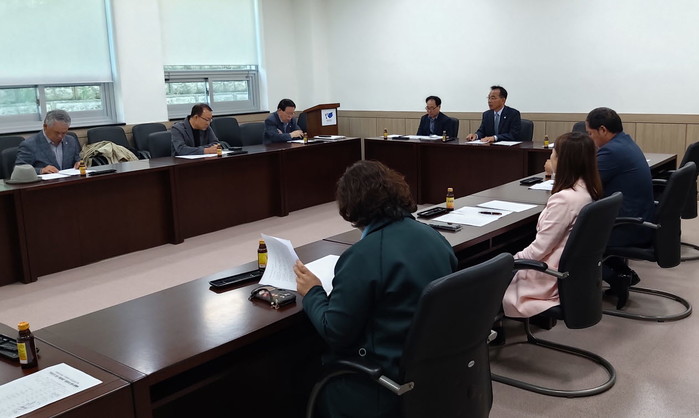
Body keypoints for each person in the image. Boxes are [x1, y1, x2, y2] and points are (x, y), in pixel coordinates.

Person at [293, 160, 457, 418]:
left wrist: (313, 292)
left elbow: (335, 332)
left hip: (380, 385)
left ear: (351, 207)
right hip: (434, 375)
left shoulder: (364, 255)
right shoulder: (433, 236)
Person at [503, 132, 603, 318]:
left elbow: (538, 250)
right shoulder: (589, 189)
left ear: (564, 162)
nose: (549, 160)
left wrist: (507, 262)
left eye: (553, 155)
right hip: (571, 271)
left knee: (485, 271)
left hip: (548, 276)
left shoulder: (565, 199)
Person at [586, 107, 654, 308]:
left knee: (574, 237)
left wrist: (557, 169)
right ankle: (624, 273)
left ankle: (616, 277)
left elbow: (588, 185)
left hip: (628, 227)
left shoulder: (611, 151)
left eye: (590, 134)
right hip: (641, 220)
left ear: (603, 130)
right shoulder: (625, 142)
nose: (590, 139)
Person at [15, 109, 81, 174]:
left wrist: (79, 164)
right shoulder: (30, 145)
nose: (60, 136)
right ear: (45, 127)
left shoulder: (71, 141)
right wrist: (41, 170)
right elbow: (19, 170)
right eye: (56, 133)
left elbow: (77, 160)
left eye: (64, 133)